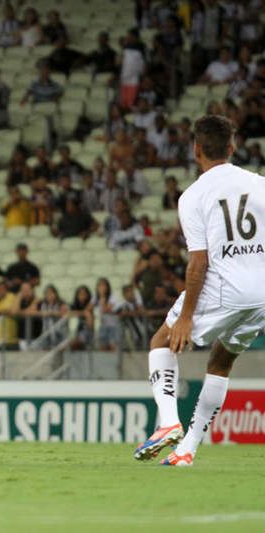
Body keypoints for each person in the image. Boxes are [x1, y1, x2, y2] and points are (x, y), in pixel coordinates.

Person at [134, 115, 265, 466]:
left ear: (196, 150)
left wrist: (186, 317)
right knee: (220, 362)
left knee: (161, 341)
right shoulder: (260, 185)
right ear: (232, 148)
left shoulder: (193, 196)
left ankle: (168, 423)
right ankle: (186, 451)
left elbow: (198, 264)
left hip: (225, 288)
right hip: (261, 295)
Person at [94, 278, 121, 351]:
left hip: (113, 326)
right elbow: (88, 308)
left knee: (113, 347)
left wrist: (102, 296)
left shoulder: (113, 297)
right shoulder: (96, 297)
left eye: (103, 285)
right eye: (99, 285)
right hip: (103, 326)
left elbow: (105, 310)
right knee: (102, 347)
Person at [67, 286, 94, 351]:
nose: (82, 296)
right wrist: (83, 313)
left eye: (84, 293)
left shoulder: (90, 307)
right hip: (75, 332)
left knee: (74, 342)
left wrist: (87, 314)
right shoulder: (74, 306)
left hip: (85, 332)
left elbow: (90, 325)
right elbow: (66, 313)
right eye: (80, 293)